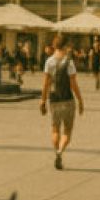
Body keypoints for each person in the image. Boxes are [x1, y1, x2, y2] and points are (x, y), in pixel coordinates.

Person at [39, 36, 84, 170]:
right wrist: (80, 100)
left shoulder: (49, 61)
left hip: (54, 99)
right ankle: (60, 151)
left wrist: (43, 100)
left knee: (55, 129)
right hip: (68, 99)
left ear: (54, 46)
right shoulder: (69, 62)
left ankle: (56, 152)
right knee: (67, 130)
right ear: (65, 46)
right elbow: (73, 84)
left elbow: (46, 83)